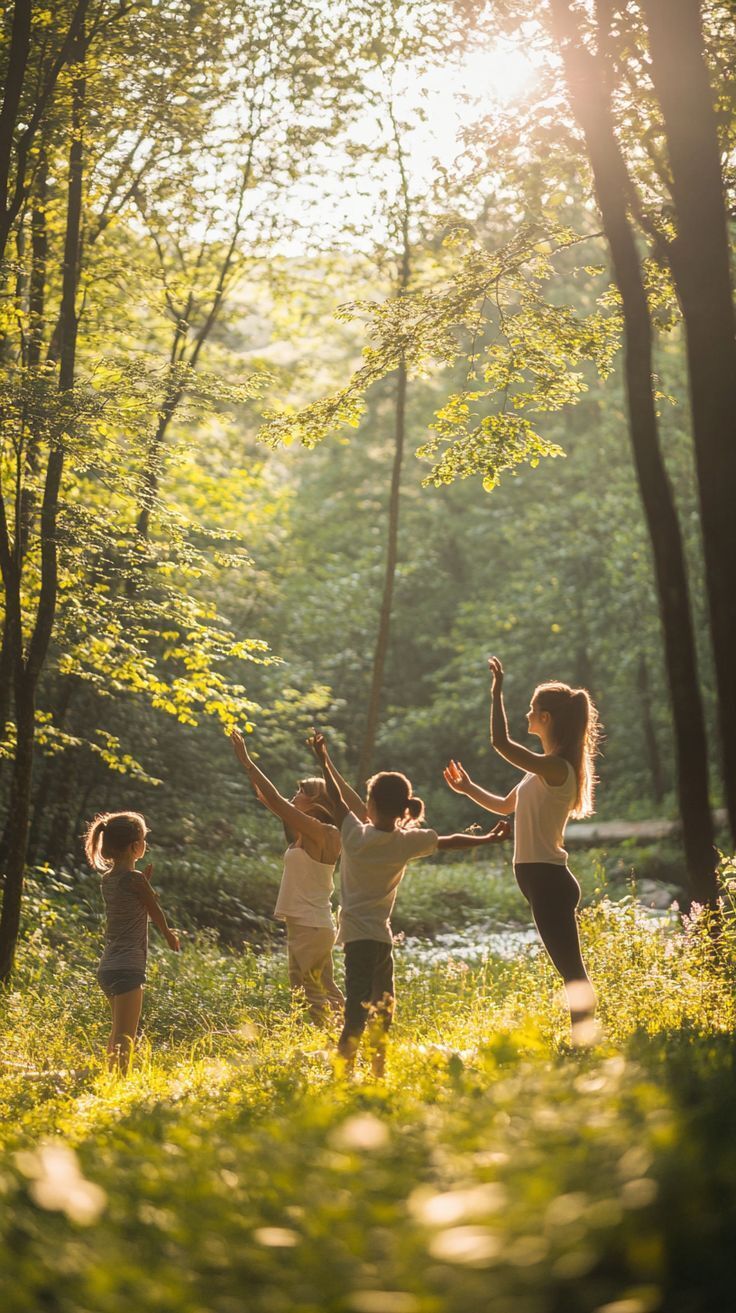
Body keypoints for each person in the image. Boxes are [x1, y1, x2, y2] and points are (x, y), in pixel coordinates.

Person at [312, 732, 510, 1076]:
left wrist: (323, 759)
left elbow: (337, 798)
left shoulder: (355, 836)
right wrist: (487, 838)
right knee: (384, 1006)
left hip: (357, 939)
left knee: (356, 1012)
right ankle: (378, 1068)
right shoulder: (405, 842)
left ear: (370, 805)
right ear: (404, 808)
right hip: (381, 939)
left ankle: (344, 1073)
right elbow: (449, 841)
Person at [444, 656, 600, 1039]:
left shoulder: (557, 769)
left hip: (548, 880)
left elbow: (500, 742)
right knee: (568, 968)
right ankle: (585, 1038)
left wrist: (496, 691)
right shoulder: (540, 769)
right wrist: (467, 789)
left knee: (571, 971)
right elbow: (503, 806)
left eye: (532, 709)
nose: (527, 714)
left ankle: (586, 1041)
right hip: (541, 881)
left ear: (546, 718)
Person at [230, 728, 345, 1026]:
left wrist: (247, 761)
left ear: (316, 801)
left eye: (301, 793)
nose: (293, 796)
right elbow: (268, 797)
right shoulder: (309, 832)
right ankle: (345, 1036)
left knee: (312, 991)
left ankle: (335, 1043)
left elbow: (276, 800)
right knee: (313, 988)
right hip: (306, 923)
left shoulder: (322, 832)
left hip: (311, 924)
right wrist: (251, 773)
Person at [84, 811, 180, 1071]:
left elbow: (130, 902)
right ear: (135, 846)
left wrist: (142, 884)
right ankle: (118, 1083)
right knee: (126, 1036)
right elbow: (154, 909)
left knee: (118, 1032)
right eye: (144, 838)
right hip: (128, 967)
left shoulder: (109, 879)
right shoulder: (135, 879)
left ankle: (109, 1078)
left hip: (108, 967)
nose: (145, 843)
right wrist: (170, 935)